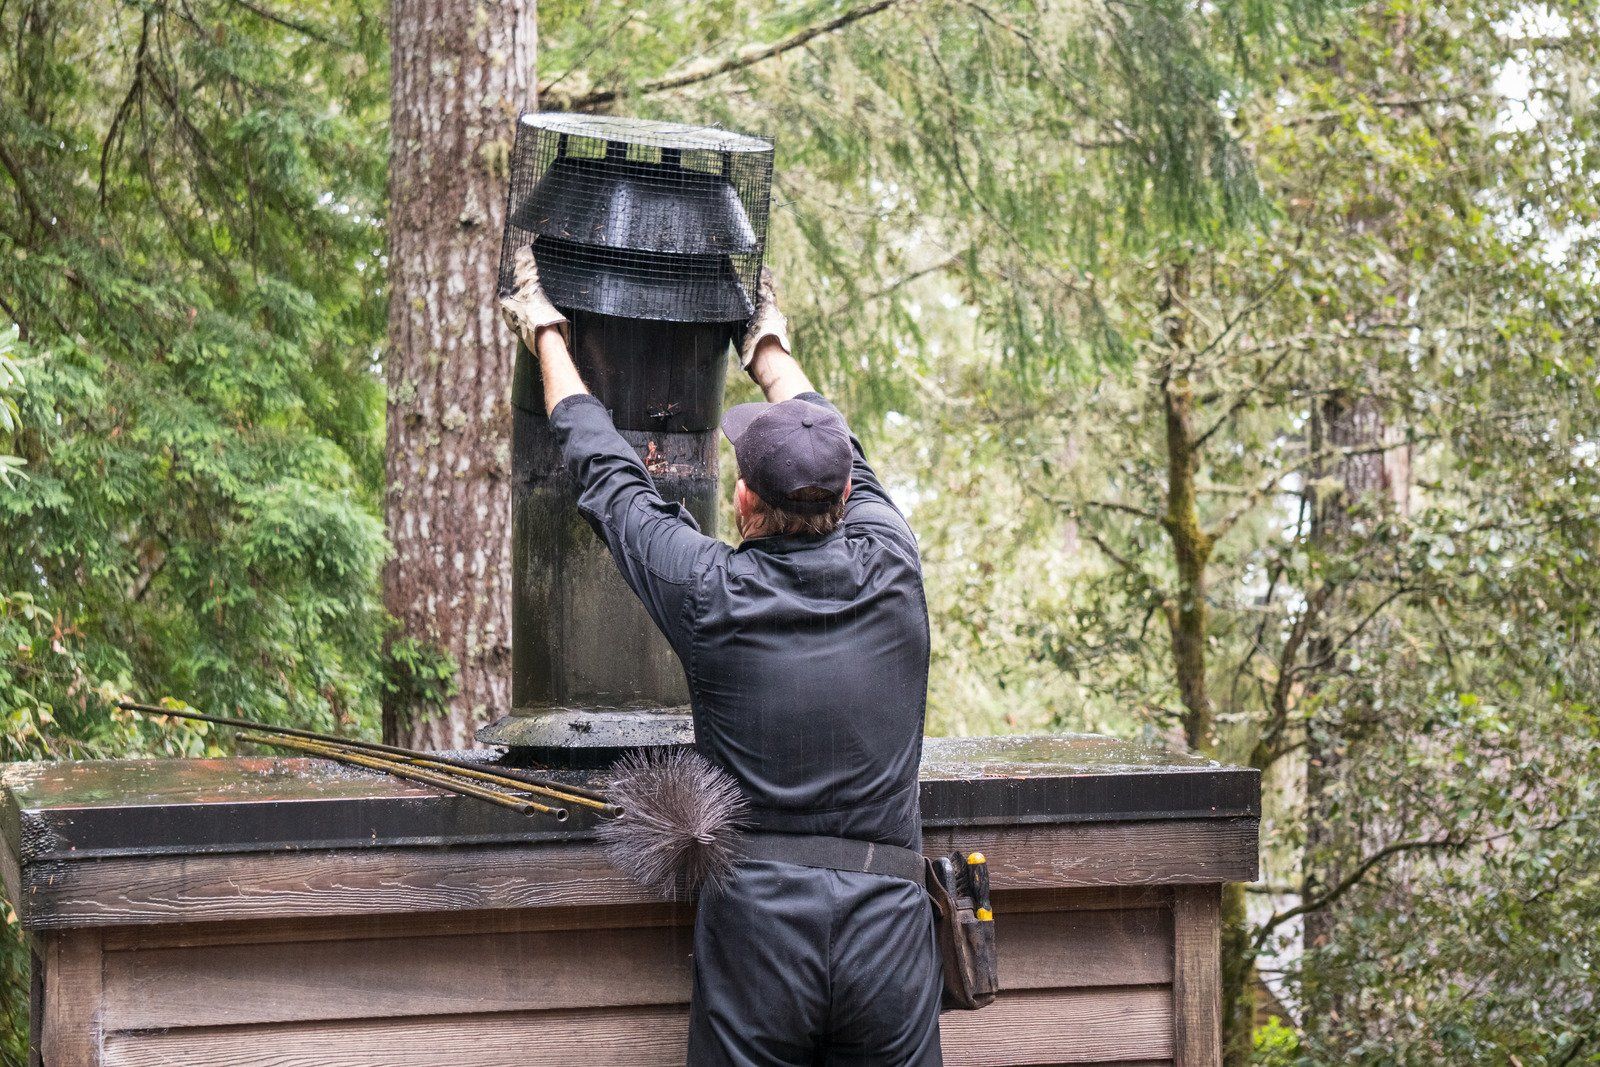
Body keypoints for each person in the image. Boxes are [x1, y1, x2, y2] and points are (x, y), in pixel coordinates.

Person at [501, 250, 942, 1066]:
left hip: (760, 931)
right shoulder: (894, 560)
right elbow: (833, 434)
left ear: (742, 502)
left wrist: (547, 333)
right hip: (889, 926)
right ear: (849, 495)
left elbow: (609, 477)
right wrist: (766, 344)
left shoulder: (711, 591)